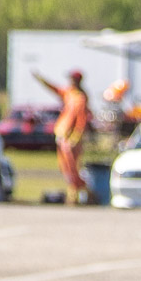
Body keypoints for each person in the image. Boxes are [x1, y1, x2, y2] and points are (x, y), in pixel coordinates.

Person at [35, 68, 93, 203]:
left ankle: (79, 192)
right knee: (64, 167)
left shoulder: (80, 98)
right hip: (63, 134)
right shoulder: (69, 93)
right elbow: (55, 89)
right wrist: (42, 81)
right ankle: (77, 191)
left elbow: (82, 119)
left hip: (71, 137)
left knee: (72, 167)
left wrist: (76, 136)